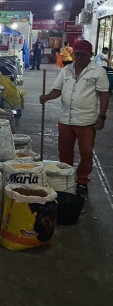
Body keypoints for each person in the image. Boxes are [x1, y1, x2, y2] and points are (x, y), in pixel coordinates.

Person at [39, 39, 109, 195]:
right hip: (65, 119)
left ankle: (82, 180)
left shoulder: (98, 72)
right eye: (77, 54)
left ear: (90, 55)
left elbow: (104, 95)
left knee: (85, 152)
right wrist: (47, 97)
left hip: (86, 121)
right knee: (64, 152)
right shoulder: (66, 70)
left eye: (83, 54)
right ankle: (67, 176)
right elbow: (57, 89)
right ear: (73, 53)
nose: (79, 57)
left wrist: (102, 116)